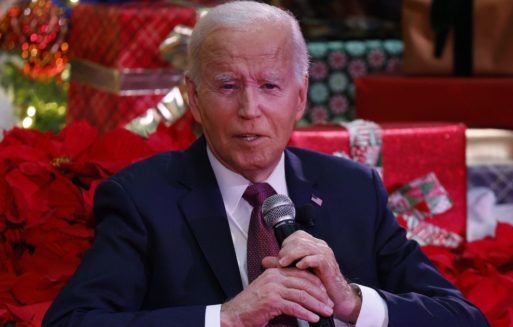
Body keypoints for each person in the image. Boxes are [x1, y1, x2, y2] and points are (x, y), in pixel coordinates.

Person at [43, 1, 488, 326]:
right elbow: (72, 322)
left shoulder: (355, 190)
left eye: (270, 85)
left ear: (300, 97)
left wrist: (352, 302)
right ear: (194, 99)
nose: (249, 108)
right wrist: (226, 318)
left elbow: (464, 319)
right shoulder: (141, 199)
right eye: (227, 85)